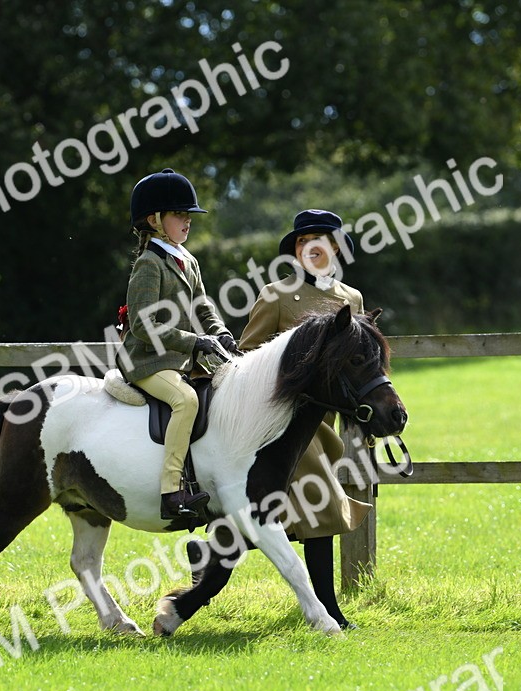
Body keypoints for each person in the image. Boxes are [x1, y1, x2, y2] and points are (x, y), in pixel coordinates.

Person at [238, 209, 374, 629]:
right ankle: (328, 611)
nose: (308, 247)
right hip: (281, 420)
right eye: (300, 242)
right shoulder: (276, 295)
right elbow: (247, 354)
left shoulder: (352, 299)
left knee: (289, 513)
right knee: (321, 510)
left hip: (325, 423)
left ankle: (214, 556)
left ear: (335, 246)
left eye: (317, 239)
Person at [120, 169, 237, 521]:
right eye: (179, 215)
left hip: (178, 358)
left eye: (189, 215)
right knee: (185, 400)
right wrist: (195, 342)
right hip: (146, 362)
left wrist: (220, 333)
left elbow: (203, 307)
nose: (187, 221)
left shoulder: (189, 260)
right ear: (154, 220)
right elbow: (143, 325)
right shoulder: (148, 264)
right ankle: (171, 490)